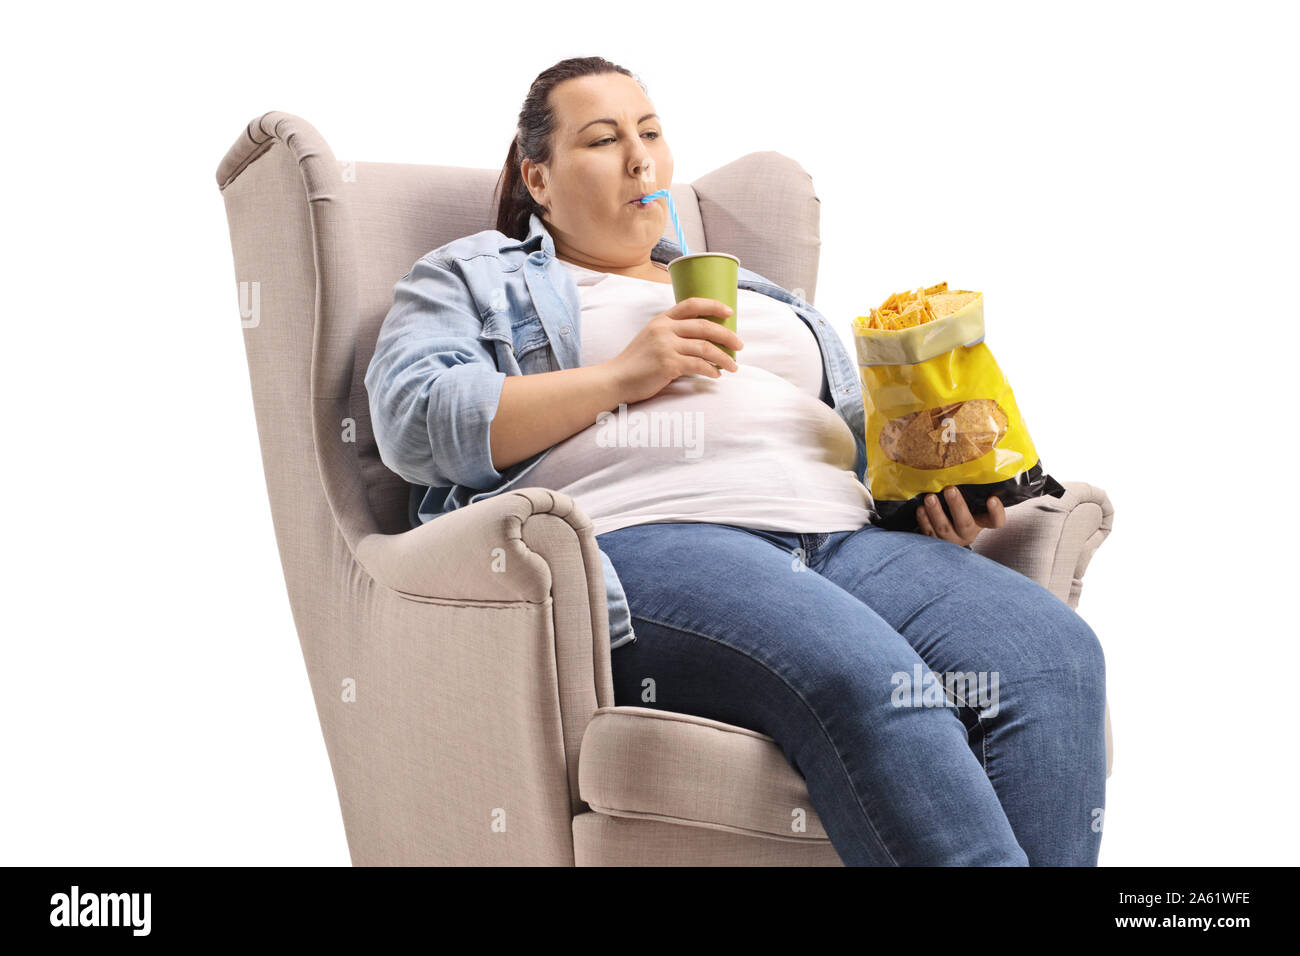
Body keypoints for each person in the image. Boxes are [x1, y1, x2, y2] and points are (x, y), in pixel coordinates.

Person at [364, 56, 1107, 866]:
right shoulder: (475, 275)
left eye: (650, 132)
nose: (641, 159)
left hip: (845, 537)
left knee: (1051, 657)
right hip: (652, 537)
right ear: (538, 180)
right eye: (604, 140)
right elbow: (412, 421)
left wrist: (927, 494)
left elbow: (851, 439)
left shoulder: (760, 294)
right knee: (869, 677)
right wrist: (623, 376)